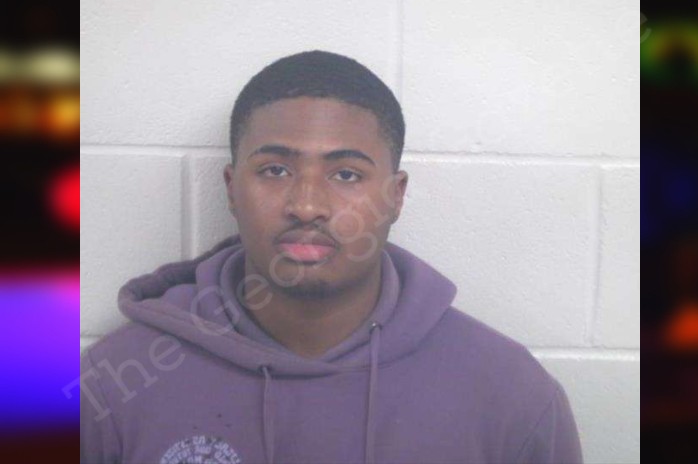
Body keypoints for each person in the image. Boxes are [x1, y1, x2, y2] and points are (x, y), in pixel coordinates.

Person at [79, 50, 583, 464]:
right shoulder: (112, 386)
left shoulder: (511, 394)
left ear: (395, 196)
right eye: (275, 170)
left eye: (346, 175)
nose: (307, 206)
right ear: (232, 189)